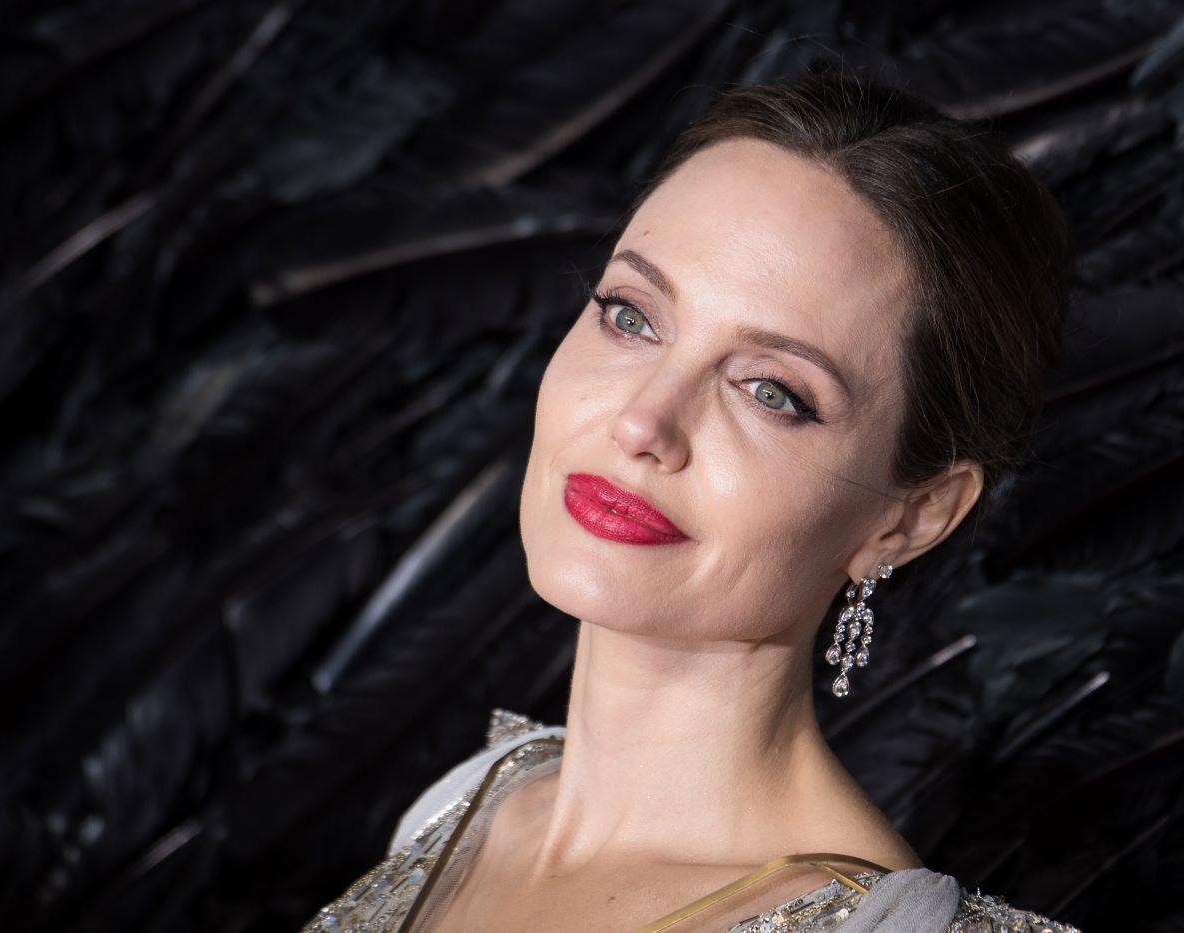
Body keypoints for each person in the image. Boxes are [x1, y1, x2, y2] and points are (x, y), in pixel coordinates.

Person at [301, 70, 1077, 932]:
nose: (643, 421)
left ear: (913, 513)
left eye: (771, 390)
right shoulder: (467, 808)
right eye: (631, 316)